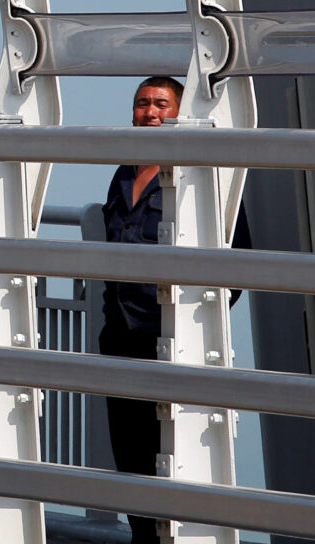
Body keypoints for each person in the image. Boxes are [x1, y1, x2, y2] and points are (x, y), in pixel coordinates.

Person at [99, 75, 252, 544]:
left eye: (161, 104)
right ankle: (143, 535)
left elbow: (239, 254)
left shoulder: (202, 175)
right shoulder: (124, 172)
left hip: (171, 336)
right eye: (142, 103)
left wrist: (195, 321)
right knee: (130, 449)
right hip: (121, 334)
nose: (150, 112)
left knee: (175, 445)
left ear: (181, 114)